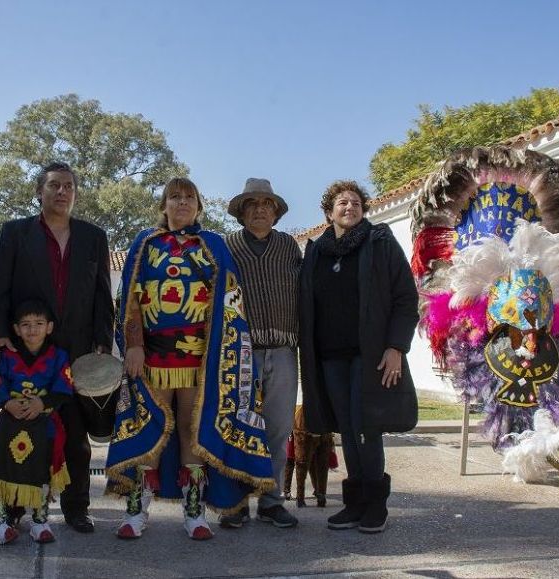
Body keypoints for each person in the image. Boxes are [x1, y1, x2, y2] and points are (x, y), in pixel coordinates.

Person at [106, 177, 275, 541]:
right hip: (150, 358)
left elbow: (231, 300)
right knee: (149, 426)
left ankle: (194, 511)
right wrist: (132, 345)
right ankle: (137, 510)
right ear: (163, 205)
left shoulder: (213, 244)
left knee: (190, 430)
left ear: (199, 206)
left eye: (189, 197)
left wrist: (224, 355)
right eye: (174, 197)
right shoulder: (145, 243)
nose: (181, 202)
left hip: (202, 360)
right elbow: (129, 298)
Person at [0, 161, 114, 533]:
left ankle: (76, 508)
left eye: (69, 186)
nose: (62, 192)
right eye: (54, 185)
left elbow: (103, 295)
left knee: (75, 438)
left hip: (75, 353)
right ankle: (13, 507)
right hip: (26, 352)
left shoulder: (93, 237)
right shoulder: (15, 233)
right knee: (21, 430)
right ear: (39, 191)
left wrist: (103, 342)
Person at [299, 180, 419, 534]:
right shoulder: (316, 252)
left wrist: (397, 347)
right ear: (328, 212)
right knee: (347, 430)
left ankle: (375, 503)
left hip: (370, 357)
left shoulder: (379, 242)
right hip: (329, 357)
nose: (349, 207)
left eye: (355, 202)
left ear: (363, 209)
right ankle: (354, 503)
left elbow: (405, 298)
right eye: (341, 202)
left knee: (367, 427)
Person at [220, 178, 301, 529]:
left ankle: (271, 501)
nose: (260, 210)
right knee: (237, 426)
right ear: (241, 211)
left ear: (276, 212)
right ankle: (234, 501)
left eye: (267, 204)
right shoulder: (226, 247)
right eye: (252, 204)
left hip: (283, 351)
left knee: (279, 430)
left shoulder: (288, 247)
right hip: (239, 352)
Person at [0, 299, 74, 545]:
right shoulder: (6, 356)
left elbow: (64, 388)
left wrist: (42, 404)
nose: (32, 330)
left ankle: (40, 519)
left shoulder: (59, 356)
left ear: (50, 327)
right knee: (3, 466)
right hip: (10, 423)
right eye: (25, 325)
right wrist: (7, 403)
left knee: (43, 467)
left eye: (38, 323)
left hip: (44, 423)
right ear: (15, 329)